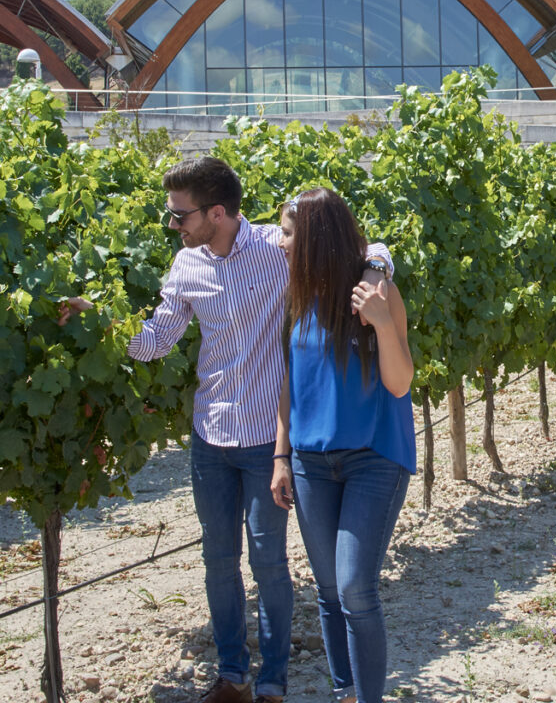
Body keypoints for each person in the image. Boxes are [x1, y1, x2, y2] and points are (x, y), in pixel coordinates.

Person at [60, 157, 393, 703]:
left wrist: (379, 270)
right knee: (219, 559)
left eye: (180, 216)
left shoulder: (274, 248)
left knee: (269, 562)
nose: (174, 226)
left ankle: (273, 682)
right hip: (210, 435)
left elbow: (363, 250)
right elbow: (153, 342)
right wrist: (98, 316)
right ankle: (233, 674)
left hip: (269, 437)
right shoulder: (186, 266)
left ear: (217, 212)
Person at [270, 188, 415, 703]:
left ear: (314, 238)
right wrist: (281, 455)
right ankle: (346, 693)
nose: (279, 242)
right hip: (310, 462)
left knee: (355, 587)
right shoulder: (300, 294)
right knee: (328, 591)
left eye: (287, 232)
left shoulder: (374, 291)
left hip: (373, 457)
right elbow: (291, 380)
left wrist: (380, 323)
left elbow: (400, 383)